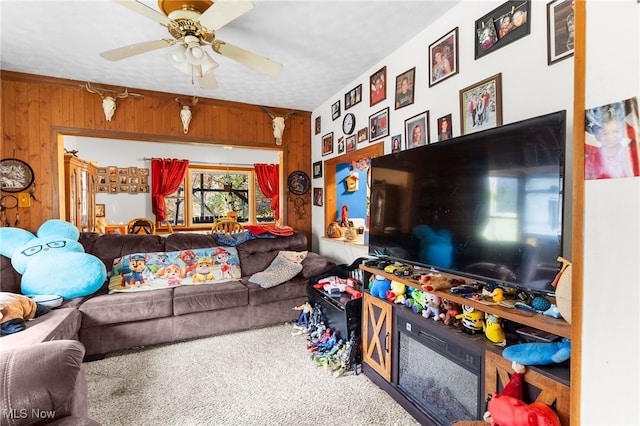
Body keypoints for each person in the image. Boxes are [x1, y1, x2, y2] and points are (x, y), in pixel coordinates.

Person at [585, 105, 635, 180]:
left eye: (616, 131)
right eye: (605, 133)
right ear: (597, 136)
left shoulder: (631, 155)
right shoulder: (589, 162)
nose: (611, 137)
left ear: (624, 132)